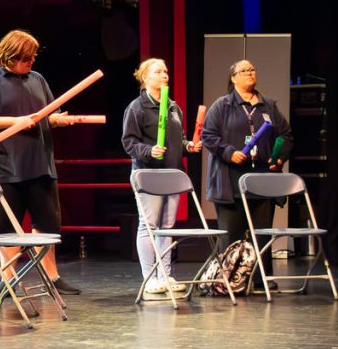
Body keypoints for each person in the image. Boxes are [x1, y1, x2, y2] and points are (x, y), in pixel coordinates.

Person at [0, 29, 81, 296]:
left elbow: (47, 114)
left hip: (39, 161)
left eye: (32, 57)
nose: (31, 61)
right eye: (25, 57)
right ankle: (7, 278)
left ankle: (51, 276)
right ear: (10, 55)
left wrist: (58, 120)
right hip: (5, 165)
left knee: (47, 224)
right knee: (6, 226)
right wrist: (17, 122)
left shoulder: (37, 79)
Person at [201, 59, 293, 281]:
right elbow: (208, 136)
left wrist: (278, 159)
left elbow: (286, 135)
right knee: (231, 235)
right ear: (233, 78)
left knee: (260, 236)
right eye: (243, 70)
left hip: (262, 180)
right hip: (230, 181)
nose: (249, 73)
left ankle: (260, 281)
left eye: (252, 69)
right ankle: (229, 281)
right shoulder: (222, 106)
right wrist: (228, 152)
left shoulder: (268, 105)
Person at [121, 58, 201, 294]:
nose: (165, 74)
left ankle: (165, 275)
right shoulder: (137, 107)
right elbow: (128, 142)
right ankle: (149, 278)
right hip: (148, 174)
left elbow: (179, 137)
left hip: (172, 173)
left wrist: (188, 146)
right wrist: (148, 150)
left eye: (166, 71)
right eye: (158, 71)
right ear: (145, 77)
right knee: (149, 226)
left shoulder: (174, 107)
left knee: (167, 226)